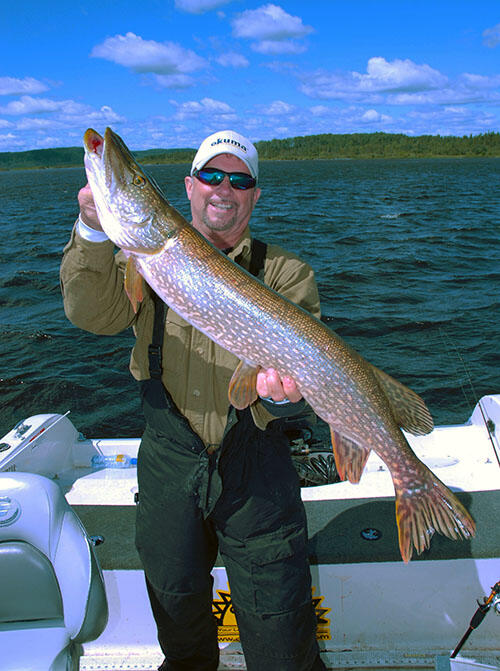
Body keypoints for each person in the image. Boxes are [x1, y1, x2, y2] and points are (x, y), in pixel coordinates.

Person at [60, 129, 326, 671]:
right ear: (187, 187)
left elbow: (295, 397)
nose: (222, 189)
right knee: (177, 612)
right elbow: (92, 316)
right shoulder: (142, 259)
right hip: (168, 458)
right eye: (210, 175)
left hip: (257, 465)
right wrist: (92, 225)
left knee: (280, 632)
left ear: (254, 194)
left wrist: (279, 401)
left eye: (239, 179)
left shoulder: (286, 274)